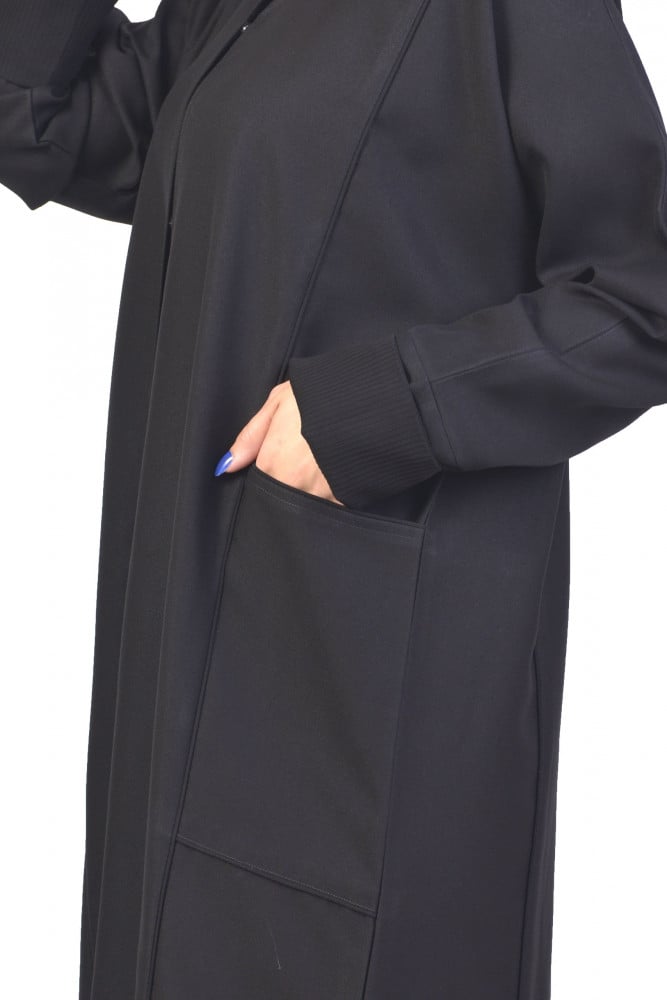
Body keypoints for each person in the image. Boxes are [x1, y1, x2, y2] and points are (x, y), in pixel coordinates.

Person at [1, 1, 666, 997]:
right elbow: (45, 121)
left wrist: (386, 407)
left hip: (370, 708)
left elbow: (642, 296)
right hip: (186, 652)